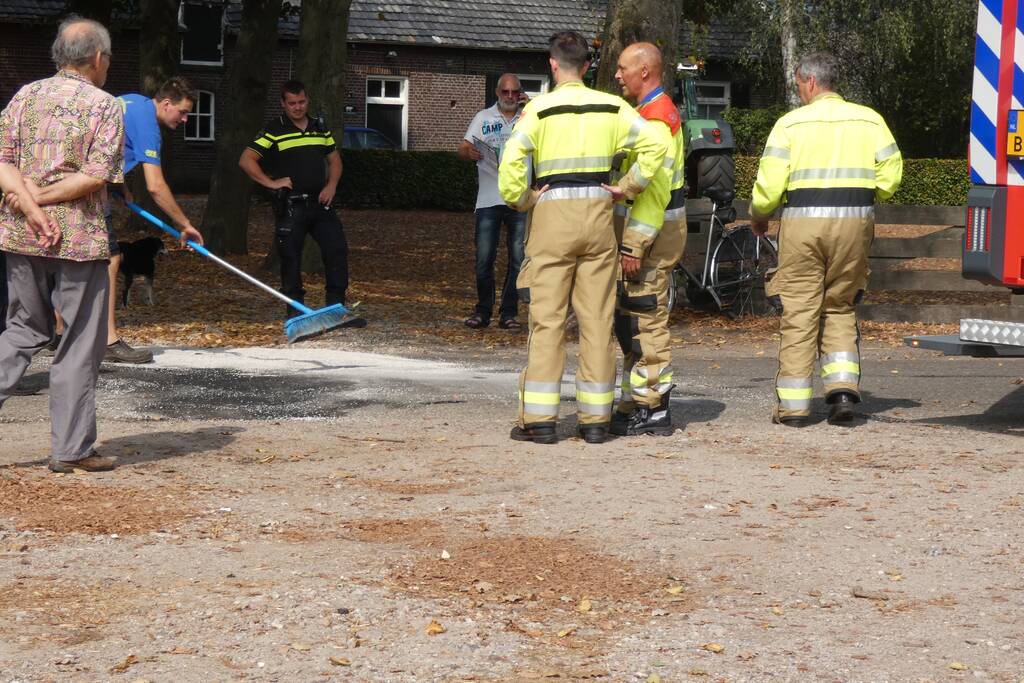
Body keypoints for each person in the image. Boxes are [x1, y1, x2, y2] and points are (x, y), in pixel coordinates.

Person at [498, 30, 669, 445]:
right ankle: (595, 421)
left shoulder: (537, 110)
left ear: (553, 65)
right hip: (597, 216)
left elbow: (510, 169)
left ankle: (539, 421)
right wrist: (628, 186)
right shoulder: (613, 108)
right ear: (588, 66)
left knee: (548, 321)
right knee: (596, 322)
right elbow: (656, 147)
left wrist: (524, 199)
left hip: (552, 215)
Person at [750, 51, 902, 426]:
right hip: (854, 223)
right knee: (840, 305)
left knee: (800, 310)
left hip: (803, 225)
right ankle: (843, 393)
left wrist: (759, 216)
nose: (799, 91)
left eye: (799, 84)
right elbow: (892, 174)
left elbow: (768, 187)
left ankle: (795, 407)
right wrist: (870, 193)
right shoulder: (871, 120)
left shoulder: (789, 125)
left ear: (811, 82)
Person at [0, 16, 125, 473]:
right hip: (78, 237)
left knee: (22, 330)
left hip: (19, 232)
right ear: (96, 58)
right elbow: (95, 174)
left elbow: (3, 162)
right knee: (78, 341)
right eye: (108, 58)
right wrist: (44, 202)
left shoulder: (24, 96)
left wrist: (29, 205)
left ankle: (72, 447)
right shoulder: (105, 105)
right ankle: (71, 449)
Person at [50, 76, 206, 364]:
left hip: (67, 180)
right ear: (167, 103)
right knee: (112, 258)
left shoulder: (133, 101)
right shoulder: (150, 127)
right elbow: (156, 187)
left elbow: (111, 143)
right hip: (84, 187)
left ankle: (59, 331)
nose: (185, 119)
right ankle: (109, 341)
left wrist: (121, 187)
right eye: (183, 112)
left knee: (70, 257)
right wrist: (185, 224)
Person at [607, 42, 687, 437]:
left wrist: (632, 245)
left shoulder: (656, 120)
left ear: (644, 71)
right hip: (652, 231)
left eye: (623, 68)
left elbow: (653, 193)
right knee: (631, 319)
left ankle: (654, 408)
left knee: (645, 318)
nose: (617, 75)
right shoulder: (651, 114)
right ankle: (634, 402)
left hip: (650, 235)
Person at [239, 80, 363, 326]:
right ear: (283, 104)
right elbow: (246, 160)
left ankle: (336, 309)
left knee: (336, 250)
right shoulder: (275, 129)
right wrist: (270, 183)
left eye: (302, 102)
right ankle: (295, 311)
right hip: (291, 206)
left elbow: (335, 161)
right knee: (291, 257)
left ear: (308, 100)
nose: (297, 107)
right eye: (292, 103)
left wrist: (331, 185)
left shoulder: (319, 127)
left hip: (320, 202)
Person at [458, 74, 528, 331]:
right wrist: (471, 152)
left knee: (519, 259)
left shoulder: (529, 117)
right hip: (488, 199)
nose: (510, 97)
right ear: (497, 92)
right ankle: (483, 309)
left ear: (520, 94)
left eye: (515, 93)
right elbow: (462, 149)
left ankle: (509, 312)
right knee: (484, 258)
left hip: (519, 199)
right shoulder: (483, 118)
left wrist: (530, 107)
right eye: (505, 92)